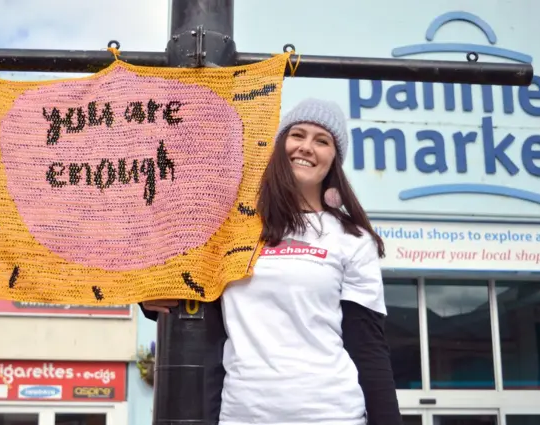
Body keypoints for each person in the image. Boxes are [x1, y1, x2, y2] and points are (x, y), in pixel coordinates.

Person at [140, 98, 403, 425]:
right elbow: (189, 289)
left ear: (334, 159)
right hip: (242, 414)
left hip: (333, 414)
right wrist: (150, 298)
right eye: (298, 135)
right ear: (280, 147)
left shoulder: (351, 239)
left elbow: (368, 347)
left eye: (322, 141)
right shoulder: (235, 230)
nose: (307, 147)